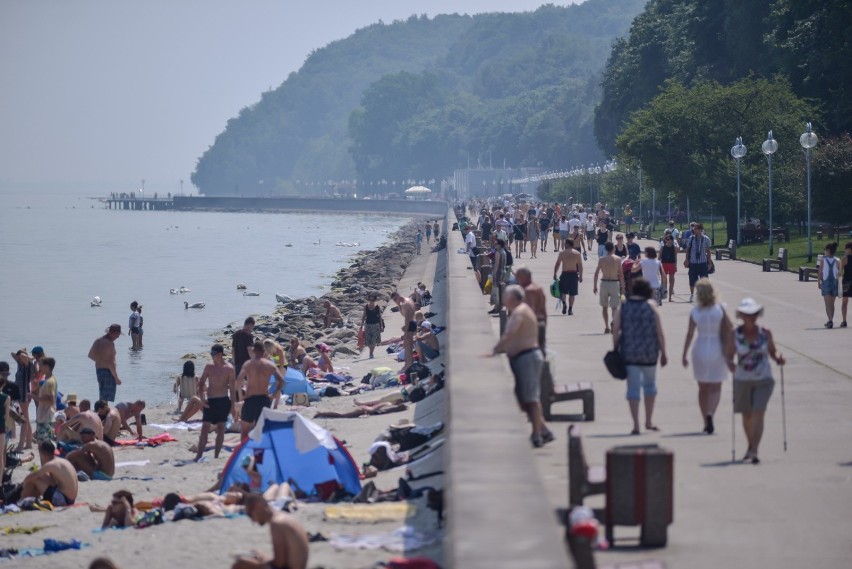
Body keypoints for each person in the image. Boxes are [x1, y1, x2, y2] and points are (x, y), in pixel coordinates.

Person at [490, 285, 553, 448]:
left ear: (512, 299)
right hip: (524, 359)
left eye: (505, 296)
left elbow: (509, 334)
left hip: (527, 358)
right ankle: (544, 430)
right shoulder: (521, 310)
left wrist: (495, 350)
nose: (503, 298)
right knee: (526, 400)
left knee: (531, 400)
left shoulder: (519, 312)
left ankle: (537, 434)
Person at [612, 278, 668, 435]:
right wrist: (664, 352)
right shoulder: (652, 307)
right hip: (650, 352)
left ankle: (636, 425)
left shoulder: (624, 307)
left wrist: (615, 347)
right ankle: (649, 421)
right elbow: (659, 331)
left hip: (629, 352)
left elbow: (615, 328)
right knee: (650, 386)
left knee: (633, 388)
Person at [733, 298, 785, 464]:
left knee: (758, 413)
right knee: (746, 415)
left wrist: (778, 358)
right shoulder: (735, 334)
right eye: (747, 314)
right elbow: (728, 356)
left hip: (764, 378)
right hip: (742, 378)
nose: (751, 317)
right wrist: (731, 367)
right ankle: (750, 445)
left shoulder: (765, 333)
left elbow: (773, 352)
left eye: (754, 314)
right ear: (741, 316)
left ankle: (754, 450)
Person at [681, 279, 734, 434]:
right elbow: (730, 328)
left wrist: (684, 353)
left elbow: (690, 333)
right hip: (717, 347)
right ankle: (711, 413)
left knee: (702, 388)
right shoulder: (720, 309)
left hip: (700, 347)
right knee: (716, 386)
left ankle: (705, 420)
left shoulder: (695, 311)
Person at [231, 493, 309, 569]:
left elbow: (279, 564)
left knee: (241, 564)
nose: (252, 520)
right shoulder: (282, 517)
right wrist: (263, 557)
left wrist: (256, 563)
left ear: (258, 506)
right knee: (257, 556)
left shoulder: (277, 524)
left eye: (250, 514)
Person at [194, 344, 236, 462]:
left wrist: (233, 406)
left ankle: (216, 456)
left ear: (219, 354)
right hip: (210, 401)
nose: (211, 356)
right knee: (205, 428)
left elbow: (232, 389)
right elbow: (201, 384)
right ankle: (199, 455)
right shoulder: (209, 367)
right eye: (211, 354)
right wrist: (202, 399)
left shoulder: (229, 368)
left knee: (221, 428)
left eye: (213, 354)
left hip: (223, 401)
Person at [238, 342, 284, 439]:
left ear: (254, 351)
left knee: (245, 430)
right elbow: (281, 381)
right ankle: (259, 452)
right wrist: (274, 394)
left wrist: (241, 396)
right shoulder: (270, 365)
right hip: (264, 399)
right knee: (261, 429)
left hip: (250, 399)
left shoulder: (248, 364)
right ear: (264, 352)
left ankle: (244, 451)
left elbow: (238, 381)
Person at [21, 440, 78, 506]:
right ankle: (29, 497)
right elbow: (52, 482)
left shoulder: (50, 465)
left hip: (63, 500)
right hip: (71, 499)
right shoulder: (61, 460)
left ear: (43, 454)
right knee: (41, 476)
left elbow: (29, 478)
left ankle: (22, 499)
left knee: (34, 479)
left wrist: (23, 486)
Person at [593, 242, 625, 334]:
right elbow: (621, 275)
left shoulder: (602, 259)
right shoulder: (618, 259)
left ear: (606, 249)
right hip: (615, 283)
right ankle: (614, 322)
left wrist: (595, 286)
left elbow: (596, 273)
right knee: (614, 307)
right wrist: (623, 287)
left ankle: (607, 326)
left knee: (604, 307)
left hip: (604, 283)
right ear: (613, 249)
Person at [514, 267, 547, 351]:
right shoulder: (539, 288)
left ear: (524, 277)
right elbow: (543, 310)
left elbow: (530, 310)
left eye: (518, 277)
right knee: (541, 350)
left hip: (530, 324)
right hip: (540, 322)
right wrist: (545, 324)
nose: (516, 279)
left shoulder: (528, 291)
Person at [88, 324, 123, 402]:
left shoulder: (98, 340)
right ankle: (102, 413)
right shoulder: (109, 343)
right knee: (105, 398)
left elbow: (90, 355)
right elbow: (111, 362)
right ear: (114, 333)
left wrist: (101, 360)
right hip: (108, 372)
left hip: (99, 370)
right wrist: (116, 377)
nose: (118, 337)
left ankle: (101, 411)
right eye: (117, 335)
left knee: (102, 395)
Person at [11, 348, 35, 449]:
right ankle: (28, 443)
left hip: (24, 394)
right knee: (26, 419)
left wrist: (26, 356)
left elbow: (21, 356)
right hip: (20, 395)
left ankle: (21, 444)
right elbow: (12, 353)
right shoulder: (20, 365)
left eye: (21, 357)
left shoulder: (28, 365)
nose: (19, 358)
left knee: (24, 420)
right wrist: (21, 351)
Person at [553, 238, 583, 315]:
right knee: (572, 293)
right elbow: (580, 266)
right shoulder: (577, 253)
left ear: (567, 244)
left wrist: (555, 273)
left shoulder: (562, 253)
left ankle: (564, 304)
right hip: (573, 274)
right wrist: (581, 276)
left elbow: (557, 264)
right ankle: (570, 309)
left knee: (563, 292)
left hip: (565, 273)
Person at [683, 223, 712, 302]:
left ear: (700, 230)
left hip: (702, 262)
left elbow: (708, 252)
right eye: (694, 228)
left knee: (704, 281)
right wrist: (686, 260)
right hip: (693, 263)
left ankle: (704, 296)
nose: (694, 230)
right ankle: (692, 294)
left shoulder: (706, 239)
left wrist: (709, 263)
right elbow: (688, 250)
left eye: (695, 229)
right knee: (692, 280)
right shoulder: (691, 238)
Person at [33, 356, 57, 443]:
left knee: (45, 444)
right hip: (44, 415)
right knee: (43, 444)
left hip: (46, 417)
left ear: (47, 367)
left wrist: (33, 397)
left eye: (41, 365)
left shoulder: (50, 381)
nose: (39, 368)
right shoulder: (48, 380)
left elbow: (51, 400)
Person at [392, 291, 417, 372]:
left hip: (409, 324)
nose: (396, 301)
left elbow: (406, 319)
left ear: (398, 296)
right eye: (394, 300)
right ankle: (409, 363)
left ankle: (408, 364)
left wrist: (406, 330)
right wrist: (399, 305)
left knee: (407, 345)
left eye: (395, 299)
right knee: (408, 344)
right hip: (412, 323)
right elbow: (404, 315)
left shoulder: (405, 304)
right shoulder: (407, 300)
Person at [818, 242, 840, 328]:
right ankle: (831, 320)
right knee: (832, 304)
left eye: (825, 250)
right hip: (835, 283)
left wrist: (818, 282)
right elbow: (840, 273)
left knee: (827, 304)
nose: (824, 252)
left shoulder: (823, 260)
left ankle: (830, 320)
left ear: (828, 250)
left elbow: (820, 272)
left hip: (826, 283)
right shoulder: (838, 260)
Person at [360, 293, 383, 359]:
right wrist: (361, 325)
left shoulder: (377, 307)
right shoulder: (366, 306)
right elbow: (364, 316)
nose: (371, 301)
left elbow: (380, 317)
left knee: (373, 340)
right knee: (368, 340)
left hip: (376, 325)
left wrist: (381, 325)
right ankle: (371, 351)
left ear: (375, 300)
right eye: (370, 300)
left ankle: (371, 353)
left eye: (372, 300)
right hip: (368, 325)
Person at [659, 232, 679, 302]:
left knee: (671, 280)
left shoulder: (674, 247)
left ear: (672, 240)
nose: (666, 240)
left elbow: (675, 257)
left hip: (671, 264)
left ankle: (670, 297)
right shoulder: (663, 247)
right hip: (664, 264)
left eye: (668, 239)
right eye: (666, 239)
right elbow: (659, 257)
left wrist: (676, 265)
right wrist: (658, 266)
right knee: (664, 281)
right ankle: (662, 295)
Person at [841, 241, 851, 328]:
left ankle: (844, 321)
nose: (844, 250)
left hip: (846, 282)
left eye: (845, 248)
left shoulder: (844, 258)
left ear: (849, 249)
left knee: (844, 302)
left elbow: (840, 272)